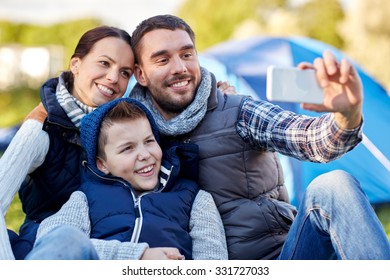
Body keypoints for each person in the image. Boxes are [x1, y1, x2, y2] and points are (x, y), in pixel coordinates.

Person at [127, 14, 390, 259]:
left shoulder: (238, 110)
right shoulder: (127, 133)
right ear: (140, 73)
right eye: (163, 60)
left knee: (334, 186)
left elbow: (313, 141)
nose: (180, 68)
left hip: (281, 258)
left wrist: (348, 114)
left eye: (187, 54)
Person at [25, 98, 227, 260]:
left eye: (149, 141)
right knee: (66, 237)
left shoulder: (194, 198)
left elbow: (213, 261)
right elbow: (53, 243)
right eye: (127, 148)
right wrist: (138, 257)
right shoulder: (85, 198)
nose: (145, 154)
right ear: (102, 164)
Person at [0, 25, 135, 260]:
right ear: (76, 64)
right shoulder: (40, 127)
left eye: (125, 72)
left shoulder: (125, 123)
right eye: (104, 63)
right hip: (54, 250)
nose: (114, 78)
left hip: (111, 247)